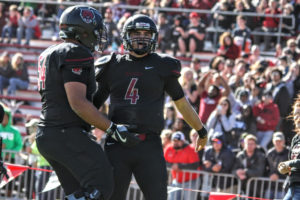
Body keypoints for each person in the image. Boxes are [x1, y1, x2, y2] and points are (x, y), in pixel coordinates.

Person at [93, 14, 207, 200]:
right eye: (137, 32)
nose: (142, 37)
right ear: (126, 36)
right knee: (111, 197)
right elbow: (93, 105)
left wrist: (200, 130)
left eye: (146, 33)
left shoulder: (162, 66)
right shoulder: (112, 65)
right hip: (117, 142)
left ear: (154, 36)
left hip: (149, 144)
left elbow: (181, 102)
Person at [35, 6, 140, 200]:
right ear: (82, 30)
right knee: (102, 187)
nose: (98, 35)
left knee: (79, 194)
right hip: (66, 132)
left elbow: (65, 98)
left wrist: (104, 85)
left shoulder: (48, 53)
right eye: (95, 30)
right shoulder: (75, 52)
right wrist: (113, 129)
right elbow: (77, 103)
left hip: (48, 134)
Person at [164, 131, 200, 200]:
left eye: (178, 141)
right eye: (174, 140)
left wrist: (180, 166)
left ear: (183, 141)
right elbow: (163, 162)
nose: (175, 142)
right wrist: (172, 166)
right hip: (176, 181)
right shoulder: (168, 148)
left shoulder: (191, 149)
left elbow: (195, 165)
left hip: (191, 181)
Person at [278, 93, 300, 200]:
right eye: (295, 114)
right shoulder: (296, 138)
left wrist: (288, 164)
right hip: (292, 186)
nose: (296, 117)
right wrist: (285, 168)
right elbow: (292, 160)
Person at [265, 131, 289, 199]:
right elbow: (266, 168)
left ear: (284, 141)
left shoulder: (289, 153)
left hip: (283, 185)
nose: (278, 143)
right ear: (273, 141)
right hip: (270, 185)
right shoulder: (270, 153)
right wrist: (270, 175)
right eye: (276, 141)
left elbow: (291, 169)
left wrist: (279, 176)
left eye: (280, 141)